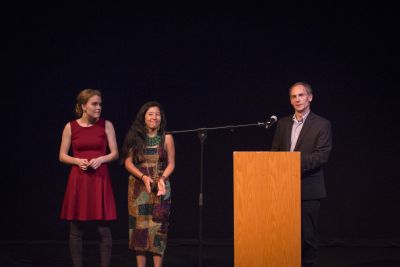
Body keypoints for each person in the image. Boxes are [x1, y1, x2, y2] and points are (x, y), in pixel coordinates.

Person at [271, 82, 332, 267]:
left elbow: (322, 155)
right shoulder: (282, 123)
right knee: (283, 235)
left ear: (310, 97)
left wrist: (292, 163)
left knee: (307, 237)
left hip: (309, 189)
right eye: (293, 96)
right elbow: (275, 152)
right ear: (290, 101)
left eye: (301, 95)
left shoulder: (322, 124)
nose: (297, 99)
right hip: (282, 187)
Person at [59, 89, 118, 267]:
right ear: (83, 106)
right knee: (76, 229)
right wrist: (77, 161)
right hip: (79, 180)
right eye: (94, 104)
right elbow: (62, 155)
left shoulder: (106, 125)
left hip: (100, 179)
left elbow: (115, 153)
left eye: (100, 104)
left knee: (103, 229)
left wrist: (101, 158)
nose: (99, 107)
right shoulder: (70, 126)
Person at [121, 101, 175, 267]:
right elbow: (128, 163)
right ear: (143, 117)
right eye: (150, 114)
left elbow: (171, 163)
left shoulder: (167, 137)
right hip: (139, 189)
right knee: (140, 231)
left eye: (157, 114)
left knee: (159, 230)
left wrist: (162, 178)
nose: (154, 117)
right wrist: (143, 177)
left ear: (161, 118)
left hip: (160, 188)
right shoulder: (135, 137)